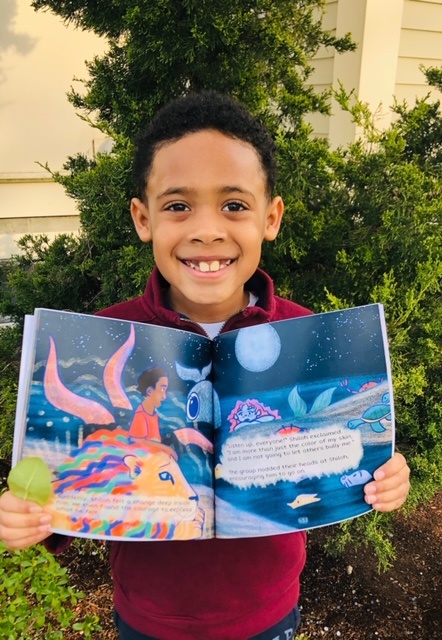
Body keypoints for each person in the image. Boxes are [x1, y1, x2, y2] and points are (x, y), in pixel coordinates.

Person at [0, 91, 410, 640]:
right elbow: (77, 487)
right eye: (178, 206)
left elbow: (339, 457)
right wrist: (31, 518)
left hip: (267, 614)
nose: (207, 229)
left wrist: (385, 477)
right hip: (148, 618)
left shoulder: (303, 331)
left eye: (234, 205)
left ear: (272, 218)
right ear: (143, 219)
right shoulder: (106, 337)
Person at [129, 366, 168, 440]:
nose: (164, 397)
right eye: (163, 389)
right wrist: (166, 449)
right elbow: (137, 442)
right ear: (149, 391)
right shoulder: (140, 414)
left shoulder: (153, 415)